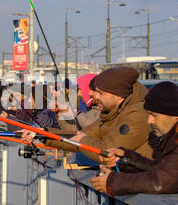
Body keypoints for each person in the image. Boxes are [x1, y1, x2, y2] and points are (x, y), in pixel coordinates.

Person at [91, 81, 178, 196]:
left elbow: (160, 181)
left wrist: (113, 182)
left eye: (154, 115)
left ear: (173, 115)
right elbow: (160, 170)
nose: (149, 121)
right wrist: (125, 158)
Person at [21, 67, 153, 162]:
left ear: (118, 96)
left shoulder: (138, 114)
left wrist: (82, 139)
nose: (93, 96)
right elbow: (78, 136)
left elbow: (108, 151)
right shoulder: (110, 112)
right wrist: (43, 133)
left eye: (101, 93)